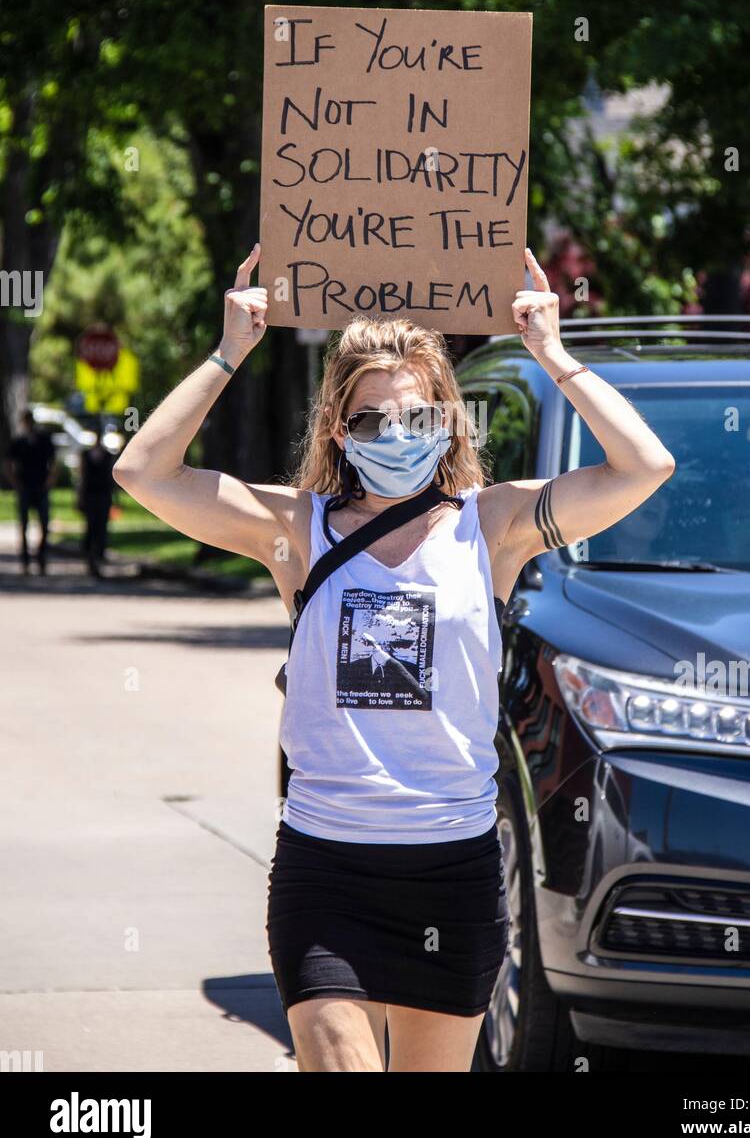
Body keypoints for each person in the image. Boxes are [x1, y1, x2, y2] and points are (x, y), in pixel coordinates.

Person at [111, 241, 675, 1073]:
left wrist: (554, 355)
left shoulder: (494, 526)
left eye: (419, 415)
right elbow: (143, 470)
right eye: (374, 419)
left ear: (449, 420)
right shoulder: (294, 531)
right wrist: (230, 350)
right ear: (341, 430)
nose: (398, 435)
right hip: (325, 869)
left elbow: (645, 467)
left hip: (452, 872)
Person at [3, 409, 57, 575]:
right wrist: (15, 483)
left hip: (41, 487)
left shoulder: (44, 440)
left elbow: (53, 463)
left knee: (44, 525)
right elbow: (8, 464)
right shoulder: (18, 442)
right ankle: (26, 561)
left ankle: (41, 559)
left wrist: (49, 482)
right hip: (25, 487)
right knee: (24, 525)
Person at [78, 433, 116, 577]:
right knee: (91, 527)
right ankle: (90, 557)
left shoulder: (108, 456)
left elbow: (111, 479)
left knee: (102, 528)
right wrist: (80, 498)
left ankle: (99, 557)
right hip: (90, 495)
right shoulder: (85, 455)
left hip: (104, 495)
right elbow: (82, 477)